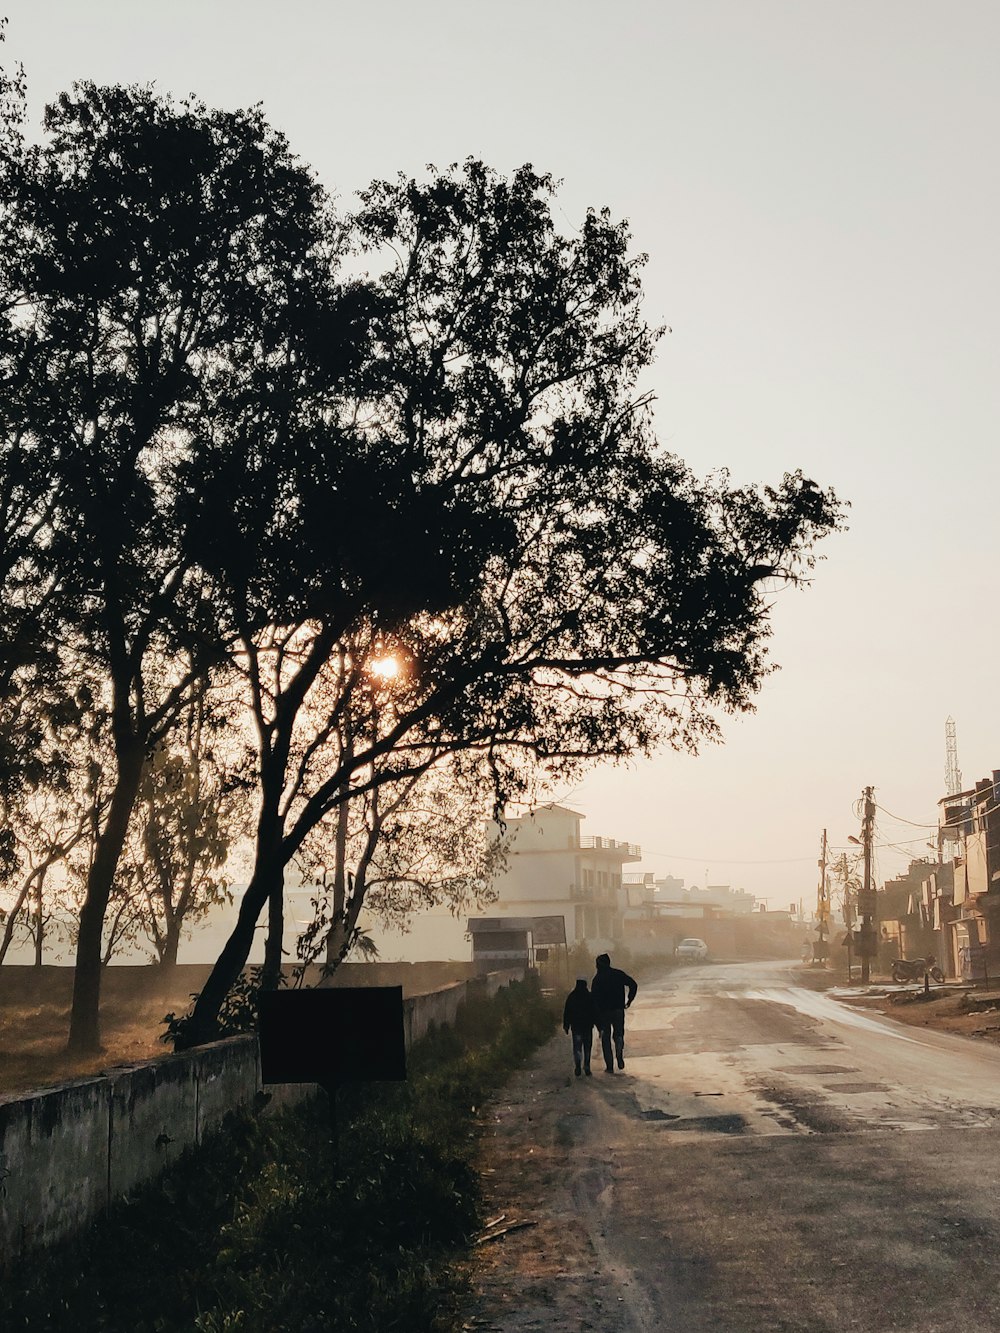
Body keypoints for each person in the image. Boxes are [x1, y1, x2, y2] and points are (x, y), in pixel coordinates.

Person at [592, 952, 638, 1073]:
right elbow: (633, 984)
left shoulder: (597, 979)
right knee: (618, 1034)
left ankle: (610, 1066)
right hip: (618, 1010)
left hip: (604, 1013)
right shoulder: (618, 974)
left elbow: (594, 1001)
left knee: (605, 1038)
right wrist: (629, 1000)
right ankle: (619, 1051)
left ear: (599, 965)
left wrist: (596, 1021)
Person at [562, 978, 597, 1076]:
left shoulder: (572, 997)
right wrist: (599, 1025)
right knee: (587, 1047)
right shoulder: (589, 996)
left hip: (576, 1027)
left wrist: (566, 1025)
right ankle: (586, 1065)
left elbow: (567, 1012)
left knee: (577, 1047)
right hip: (587, 1027)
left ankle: (578, 1065)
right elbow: (595, 1012)